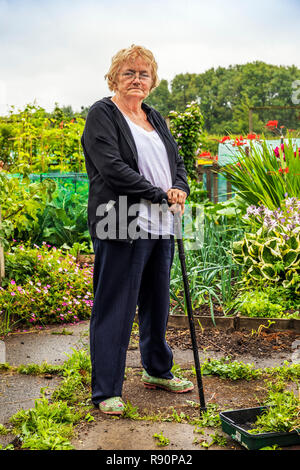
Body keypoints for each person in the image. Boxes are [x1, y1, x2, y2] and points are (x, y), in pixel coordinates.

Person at [81, 44, 194, 415]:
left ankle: (157, 370)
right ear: (115, 76)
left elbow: (176, 160)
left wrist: (179, 188)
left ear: (152, 81)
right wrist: (159, 194)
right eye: (129, 72)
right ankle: (106, 390)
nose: (137, 79)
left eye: (144, 73)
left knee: (157, 303)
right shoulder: (103, 114)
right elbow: (111, 168)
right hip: (121, 221)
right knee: (116, 306)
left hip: (162, 225)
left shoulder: (154, 116)